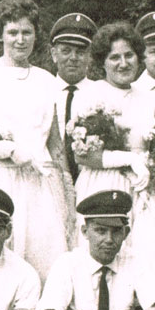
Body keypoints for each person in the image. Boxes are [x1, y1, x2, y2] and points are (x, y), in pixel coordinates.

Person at [0, 0, 73, 276]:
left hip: (39, 184)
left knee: (44, 256)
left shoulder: (47, 80)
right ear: (1, 35)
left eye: (26, 32)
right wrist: (5, 149)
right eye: (12, 32)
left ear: (36, 35)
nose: (20, 40)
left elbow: (55, 144)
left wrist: (67, 189)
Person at [69, 22, 155, 260]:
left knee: (144, 252)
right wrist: (129, 158)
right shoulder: (89, 94)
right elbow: (82, 154)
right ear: (103, 62)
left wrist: (145, 165)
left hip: (141, 185)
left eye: (129, 55)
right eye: (114, 57)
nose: (123, 63)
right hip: (102, 182)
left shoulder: (149, 99)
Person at [49, 12, 98, 184]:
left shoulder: (100, 93)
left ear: (90, 57)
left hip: (91, 179)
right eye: (66, 51)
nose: (73, 58)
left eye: (80, 52)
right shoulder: (43, 90)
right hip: (50, 179)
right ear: (54, 54)